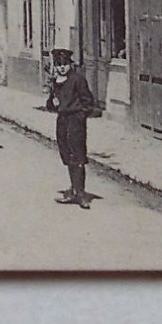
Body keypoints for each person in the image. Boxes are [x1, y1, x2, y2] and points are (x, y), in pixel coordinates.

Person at [47, 48, 101, 207]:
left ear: (70, 64)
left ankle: (81, 194)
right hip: (62, 121)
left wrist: (80, 116)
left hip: (75, 121)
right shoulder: (56, 82)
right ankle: (74, 190)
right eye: (58, 64)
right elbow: (50, 105)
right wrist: (53, 103)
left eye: (64, 64)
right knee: (67, 154)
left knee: (78, 155)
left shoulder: (78, 79)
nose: (62, 67)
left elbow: (88, 102)